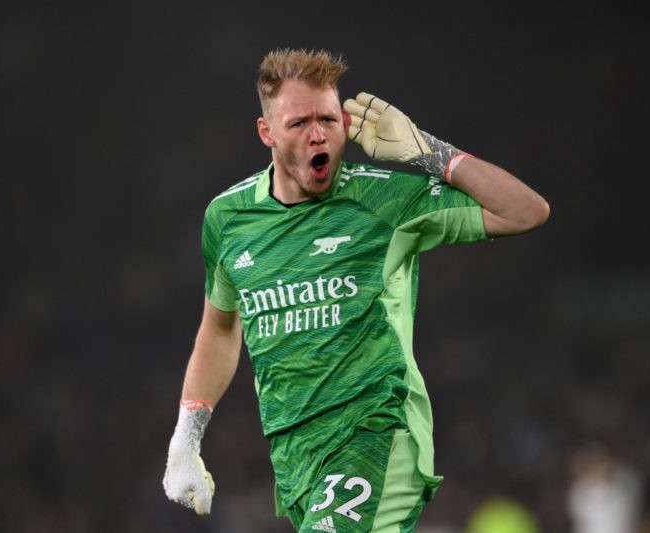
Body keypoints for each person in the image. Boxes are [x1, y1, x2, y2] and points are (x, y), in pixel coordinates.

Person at [163, 47, 550, 532]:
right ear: (266, 133)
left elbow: (525, 211)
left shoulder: (383, 199)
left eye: (328, 118)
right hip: (297, 459)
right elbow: (219, 329)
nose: (318, 134)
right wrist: (185, 440)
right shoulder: (228, 218)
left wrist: (425, 150)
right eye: (299, 123)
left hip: (378, 433)